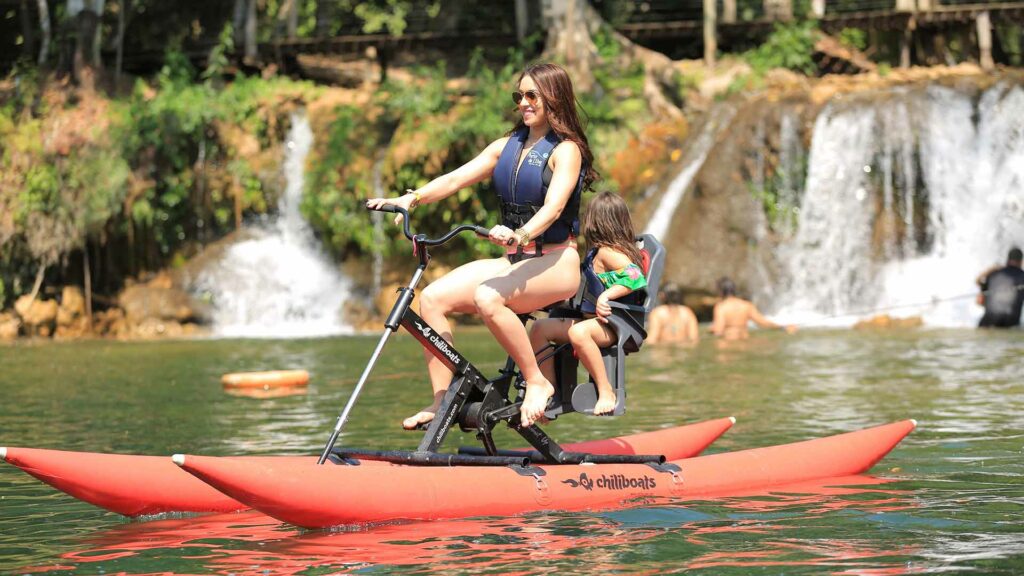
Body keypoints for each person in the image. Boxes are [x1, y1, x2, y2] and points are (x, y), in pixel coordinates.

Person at [366, 63, 598, 428]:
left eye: (531, 95)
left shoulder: (566, 151)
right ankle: (443, 401)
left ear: (553, 97)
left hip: (556, 263)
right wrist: (412, 199)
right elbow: (457, 178)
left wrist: (520, 235)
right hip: (514, 263)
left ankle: (538, 382)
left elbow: (553, 208)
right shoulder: (506, 146)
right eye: (518, 96)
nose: (523, 102)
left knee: (488, 297)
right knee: (431, 299)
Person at [528, 191, 647, 416]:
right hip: (592, 322)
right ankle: (550, 391)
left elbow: (635, 276)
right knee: (539, 329)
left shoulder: (609, 252)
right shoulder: (596, 252)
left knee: (579, 334)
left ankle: (606, 391)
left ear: (594, 221)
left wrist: (606, 296)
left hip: (614, 326)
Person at [711, 277, 796, 340]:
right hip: (745, 340)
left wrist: (712, 329)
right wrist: (783, 327)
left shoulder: (721, 307)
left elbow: (718, 330)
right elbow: (763, 323)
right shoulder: (747, 305)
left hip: (729, 342)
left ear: (721, 291)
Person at [976, 247, 1024, 328]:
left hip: (986, 324)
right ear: (1021, 261)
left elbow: (978, 282)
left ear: (1008, 259)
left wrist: (989, 270)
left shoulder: (993, 274)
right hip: (1010, 326)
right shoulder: (1022, 276)